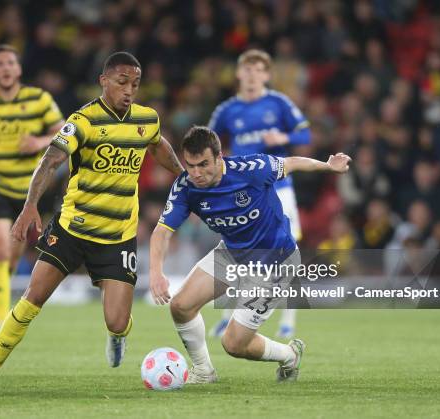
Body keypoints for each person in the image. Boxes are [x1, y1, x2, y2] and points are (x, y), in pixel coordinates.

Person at [0, 51, 184, 390]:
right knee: (32, 299)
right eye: (122, 82)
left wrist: (184, 177)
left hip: (117, 236)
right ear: (104, 81)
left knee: (117, 321)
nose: (129, 90)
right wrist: (29, 206)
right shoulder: (83, 121)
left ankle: (117, 337)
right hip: (71, 229)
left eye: (135, 84)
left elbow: (158, 145)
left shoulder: (147, 119)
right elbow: (50, 161)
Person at [150, 126, 350, 383]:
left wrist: (327, 166)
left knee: (233, 344)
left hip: (275, 261)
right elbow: (161, 232)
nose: (196, 173)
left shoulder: (251, 169)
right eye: (190, 165)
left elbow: (291, 163)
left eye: (203, 164)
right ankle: (203, 372)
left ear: (219, 157)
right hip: (233, 253)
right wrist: (157, 273)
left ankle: (290, 355)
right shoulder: (186, 187)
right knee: (180, 306)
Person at [0, 44, 65, 335]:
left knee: (12, 258)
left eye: (10, 63)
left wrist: (39, 142)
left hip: (27, 192)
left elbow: (64, 128)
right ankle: (4, 321)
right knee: (0, 251)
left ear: (18, 69)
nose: (5, 68)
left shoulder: (38, 99)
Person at [208, 49, 311, 339]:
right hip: (243, 190)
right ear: (239, 74)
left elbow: (305, 134)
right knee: (238, 248)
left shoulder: (279, 103)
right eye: (247, 69)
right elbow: (207, 140)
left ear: (267, 75)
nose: (252, 75)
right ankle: (229, 315)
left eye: (258, 70)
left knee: (288, 249)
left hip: (279, 186)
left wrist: (284, 138)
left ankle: (289, 319)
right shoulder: (227, 110)